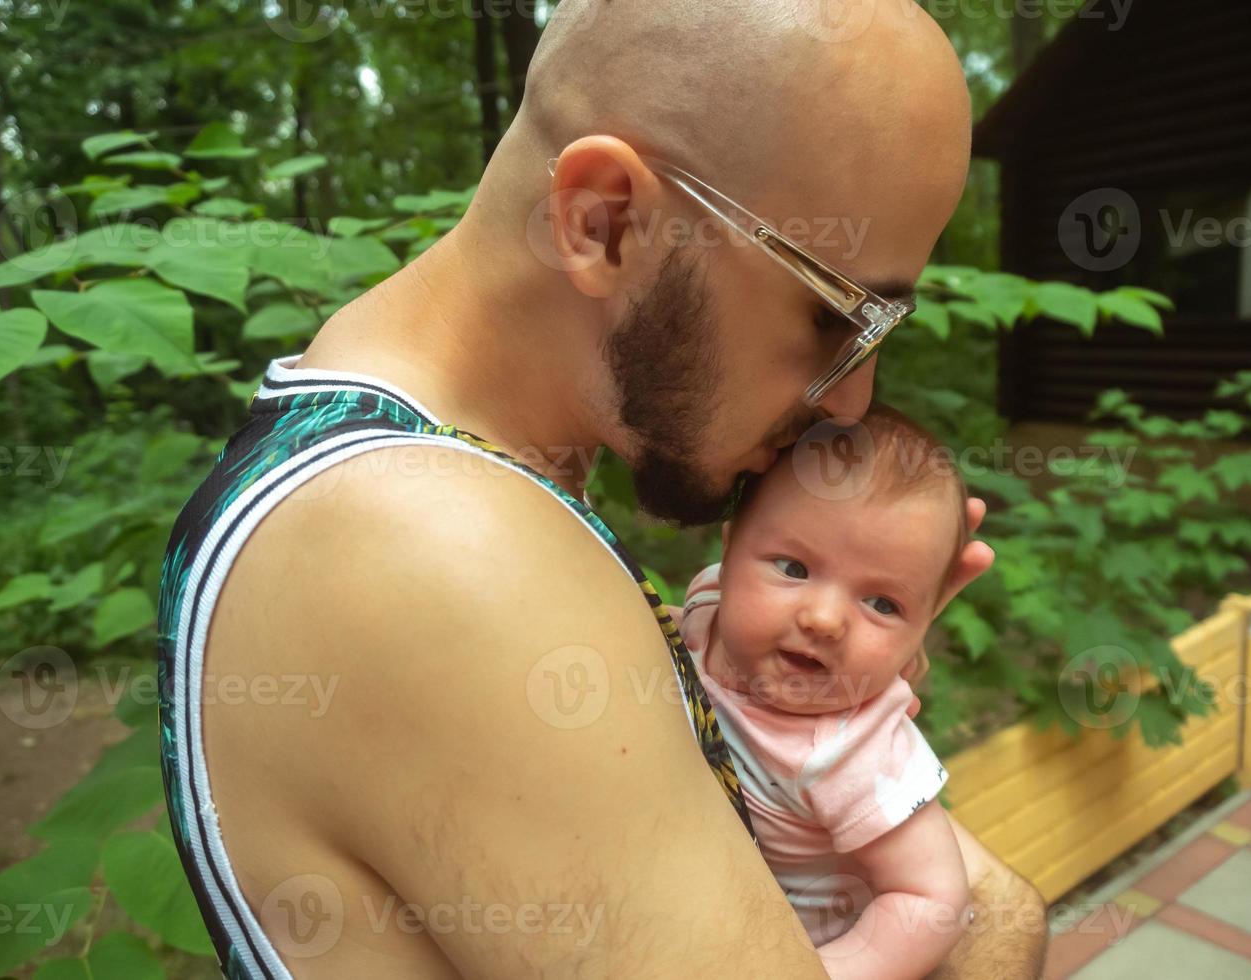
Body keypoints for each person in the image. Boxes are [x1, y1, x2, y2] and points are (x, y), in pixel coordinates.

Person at [156, 1, 1049, 976]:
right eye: (841, 317)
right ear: (605, 221)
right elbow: (962, 913)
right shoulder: (436, 546)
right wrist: (1002, 913)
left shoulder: (407, 454)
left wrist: (839, 707)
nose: (855, 400)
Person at [676, 406, 975, 980]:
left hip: (787, 949)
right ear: (730, 548)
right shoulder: (707, 605)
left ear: (923, 630)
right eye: (792, 568)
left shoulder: (856, 752)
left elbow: (931, 900)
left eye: (883, 604)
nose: (824, 618)